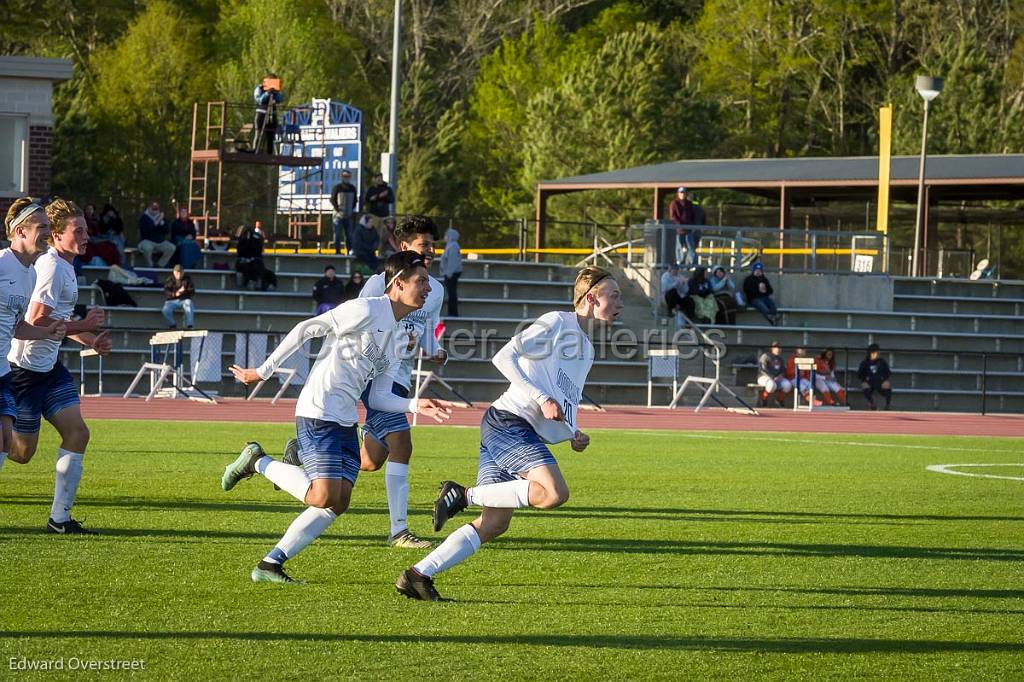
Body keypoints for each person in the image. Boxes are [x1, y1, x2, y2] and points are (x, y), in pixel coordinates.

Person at [221, 251, 454, 583]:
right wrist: (262, 371)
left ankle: (270, 565)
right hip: (318, 409)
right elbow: (306, 329)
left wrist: (416, 404)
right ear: (397, 283)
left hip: (345, 420)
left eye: (428, 282)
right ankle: (256, 461)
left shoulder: (400, 336)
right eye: (421, 282)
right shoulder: (366, 308)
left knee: (338, 502)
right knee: (324, 495)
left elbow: (379, 397)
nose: (428, 289)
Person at [395, 266, 622, 601]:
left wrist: (572, 432)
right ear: (591, 298)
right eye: (614, 295)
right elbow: (503, 357)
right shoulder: (557, 323)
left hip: (510, 428)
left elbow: (563, 400)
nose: (620, 303)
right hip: (508, 422)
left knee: (494, 524)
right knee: (553, 493)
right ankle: (462, 495)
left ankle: (417, 575)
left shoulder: (586, 350)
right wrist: (543, 398)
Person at [5, 198, 111, 534]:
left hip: (48, 369)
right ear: (57, 236)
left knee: (78, 433)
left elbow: (55, 322)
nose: (85, 236)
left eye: (86, 229)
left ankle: (59, 520)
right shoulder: (50, 267)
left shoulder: (62, 265)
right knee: (21, 453)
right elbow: (38, 320)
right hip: (24, 371)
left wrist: (89, 339)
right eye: (77, 230)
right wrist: (83, 326)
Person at [354, 216, 447, 549]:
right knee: (403, 447)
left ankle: (300, 456)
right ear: (404, 247)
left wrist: (436, 353)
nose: (431, 251)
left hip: (401, 377)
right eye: (424, 245)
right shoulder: (380, 283)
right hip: (376, 374)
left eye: (433, 245)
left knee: (370, 460)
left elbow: (427, 331)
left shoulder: (435, 290)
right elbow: (358, 320)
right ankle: (399, 532)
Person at [0, 199, 68, 484]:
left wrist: (47, 331)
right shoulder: (2, 263)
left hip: (2, 370)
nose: (48, 233)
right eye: (41, 227)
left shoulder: (30, 273)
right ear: (20, 232)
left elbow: (16, 327)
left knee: (6, 441)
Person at [234, 223, 277, 291]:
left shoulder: (255, 239)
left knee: (260, 268)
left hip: (255, 261)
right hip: (245, 262)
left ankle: (257, 283)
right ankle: (251, 282)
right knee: (247, 267)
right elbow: (240, 252)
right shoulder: (243, 241)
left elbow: (257, 252)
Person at [253, 73, 283, 155]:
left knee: (271, 136)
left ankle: (269, 153)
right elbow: (259, 100)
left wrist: (276, 92)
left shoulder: (276, 91)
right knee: (259, 134)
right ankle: (256, 152)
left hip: (272, 115)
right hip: (261, 114)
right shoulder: (259, 89)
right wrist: (267, 93)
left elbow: (280, 99)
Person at [137, 201, 175, 267]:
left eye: (156, 209)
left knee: (172, 247)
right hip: (147, 240)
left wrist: (162, 223)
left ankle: (160, 265)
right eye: (153, 209)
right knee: (147, 248)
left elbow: (167, 231)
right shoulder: (144, 218)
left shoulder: (162, 218)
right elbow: (146, 230)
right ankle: (150, 265)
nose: (155, 211)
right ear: (149, 208)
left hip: (160, 242)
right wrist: (157, 221)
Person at [329, 170, 358, 255]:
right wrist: (338, 210)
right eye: (345, 176)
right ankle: (337, 251)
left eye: (348, 176)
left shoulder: (353, 188)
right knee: (337, 234)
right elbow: (332, 200)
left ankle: (349, 251)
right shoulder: (337, 187)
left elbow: (355, 201)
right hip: (337, 216)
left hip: (348, 216)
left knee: (349, 235)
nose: (346, 178)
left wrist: (349, 210)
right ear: (342, 177)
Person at [857, 343, 892, 410]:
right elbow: (859, 374)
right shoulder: (865, 362)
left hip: (880, 382)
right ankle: (872, 404)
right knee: (864, 385)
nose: (879, 353)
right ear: (872, 353)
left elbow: (888, 373)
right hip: (869, 382)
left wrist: (885, 380)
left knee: (887, 384)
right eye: (877, 352)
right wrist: (864, 380)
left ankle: (887, 405)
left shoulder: (882, 361)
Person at [757, 341, 791, 407]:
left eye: (779, 348)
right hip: (764, 377)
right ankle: (764, 400)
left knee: (788, 385)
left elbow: (783, 370)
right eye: (775, 348)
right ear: (771, 349)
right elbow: (762, 369)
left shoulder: (780, 359)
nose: (778, 349)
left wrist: (781, 375)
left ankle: (779, 400)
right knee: (771, 385)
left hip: (777, 378)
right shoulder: (765, 356)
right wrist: (772, 377)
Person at [669, 187, 698, 266]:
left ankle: (692, 264)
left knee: (691, 247)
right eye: (681, 193)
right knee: (680, 248)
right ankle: (680, 263)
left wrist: (692, 226)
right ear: (678, 194)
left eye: (684, 193)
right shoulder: (674, 203)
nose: (683, 194)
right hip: (679, 230)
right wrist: (680, 225)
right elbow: (673, 216)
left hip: (689, 230)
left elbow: (693, 216)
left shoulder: (689, 203)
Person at [162, 264, 195, 329]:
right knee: (165, 310)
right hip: (171, 301)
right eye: (177, 273)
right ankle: (172, 324)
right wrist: (176, 294)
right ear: (174, 272)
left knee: (189, 303)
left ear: (183, 272)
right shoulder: (170, 280)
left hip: (184, 300)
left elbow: (192, 291)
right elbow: (166, 292)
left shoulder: (187, 279)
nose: (179, 275)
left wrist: (183, 292)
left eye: (180, 273)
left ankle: (190, 325)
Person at [440, 227, 462, 317]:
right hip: (450, 273)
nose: (445, 237)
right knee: (451, 293)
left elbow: (452, 262)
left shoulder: (452, 246)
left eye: (446, 235)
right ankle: (452, 312)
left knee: (452, 293)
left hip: (451, 274)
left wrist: (449, 274)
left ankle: (453, 313)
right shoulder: (451, 245)